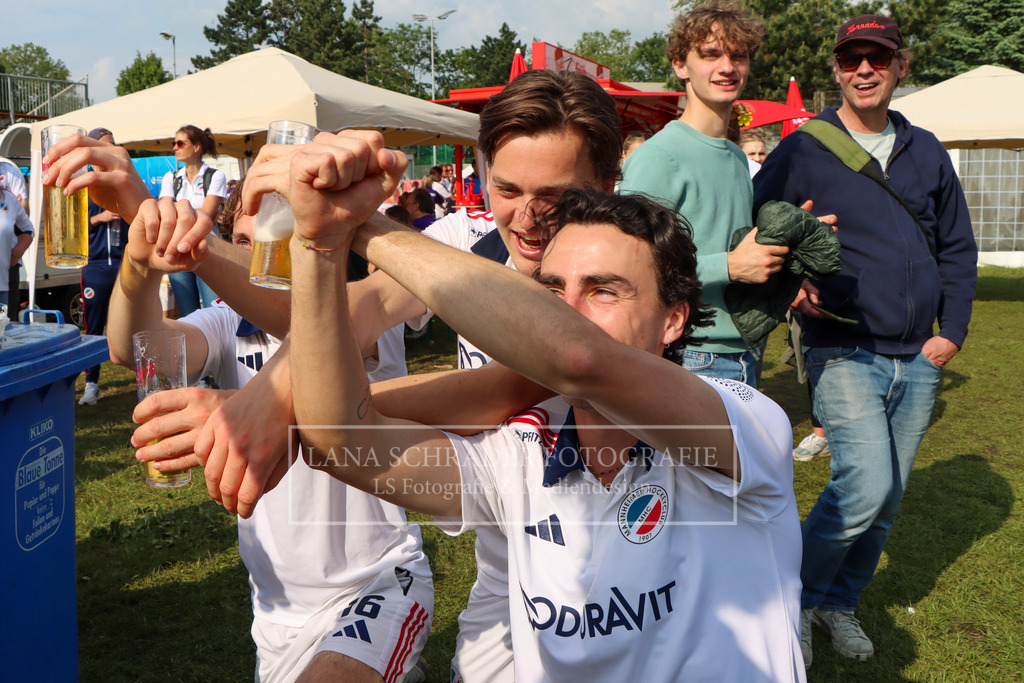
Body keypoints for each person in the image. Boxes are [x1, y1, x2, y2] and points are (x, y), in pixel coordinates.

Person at [134, 69, 624, 683]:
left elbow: (516, 382)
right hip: (508, 588)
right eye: (506, 188)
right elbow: (362, 305)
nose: (526, 217)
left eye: (555, 195)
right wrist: (249, 257)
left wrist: (286, 411)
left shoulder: (622, 273)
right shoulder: (468, 242)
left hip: (621, 582)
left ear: (606, 186)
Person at [274, 132, 804, 679]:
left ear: (673, 319)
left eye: (603, 290)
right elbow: (341, 440)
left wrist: (363, 224)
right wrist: (319, 244)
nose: (567, 312)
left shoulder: (745, 423)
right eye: (550, 292)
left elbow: (578, 357)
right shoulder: (522, 451)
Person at [88, 159, 433, 683]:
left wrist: (192, 242)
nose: (256, 259)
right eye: (244, 243)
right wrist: (139, 267)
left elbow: (306, 327)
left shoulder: (354, 312)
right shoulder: (229, 322)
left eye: (274, 238)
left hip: (376, 581)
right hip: (275, 610)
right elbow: (137, 349)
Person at [752, 13, 978, 667]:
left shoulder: (926, 149)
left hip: (919, 355)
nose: (864, 69)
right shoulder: (804, 148)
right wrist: (791, 283)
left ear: (901, 66)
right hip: (843, 346)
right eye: (851, 59)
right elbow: (753, 223)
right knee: (864, 487)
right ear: (836, 69)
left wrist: (952, 333)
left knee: (887, 500)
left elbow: (956, 246)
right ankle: (792, 602)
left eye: (878, 58)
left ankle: (836, 603)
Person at [620, 0, 786, 388]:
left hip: (745, 349)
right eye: (711, 54)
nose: (727, 67)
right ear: (681, 65)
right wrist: (729, 266)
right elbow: (630, 264)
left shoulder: (736, 156)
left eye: (738, 55)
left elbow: (732, 246)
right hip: (692, 355)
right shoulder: (659, 155)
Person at [78, 127, 130, 406]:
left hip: (124, 265)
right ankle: (92, 384)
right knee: (94, 328)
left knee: (135, 324)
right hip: (95, 267)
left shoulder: (122, 181)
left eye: (113, 144)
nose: (111, 149)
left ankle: (147, 381)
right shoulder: (84, 184)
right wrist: (99, 219)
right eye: (105, 145)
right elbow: (73, 228)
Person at [158, 125, 226, 316]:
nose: (175, 147)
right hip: (178, 250)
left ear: (197, 147)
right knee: (188, 315)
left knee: (215, 312)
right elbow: (166, 214)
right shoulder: (171, 177)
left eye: (180, 143)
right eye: (174, 143)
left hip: (208, 249)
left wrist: (181, 213)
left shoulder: (215, 175)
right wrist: (198, 214)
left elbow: (206, 217)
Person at [0, 156, 31, 313]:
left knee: (7, 318)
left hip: (8, 260)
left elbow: (24, 211)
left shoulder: (9, 170)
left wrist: (18, 252)